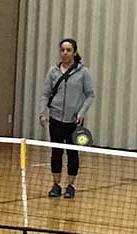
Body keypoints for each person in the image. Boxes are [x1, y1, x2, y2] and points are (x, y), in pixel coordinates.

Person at [39, 38, 95, 198]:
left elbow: (90, 95)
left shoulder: (83, 72)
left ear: (74, 52)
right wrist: (43, 111)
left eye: (68, 50)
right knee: (56, 152)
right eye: (62, 50)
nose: (65, 53)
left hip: (74, 121)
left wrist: (81, 112)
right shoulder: (53, 72)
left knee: (72, 154)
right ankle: (55, 184)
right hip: (56, 118)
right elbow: (45, 94)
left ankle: (70, 185)